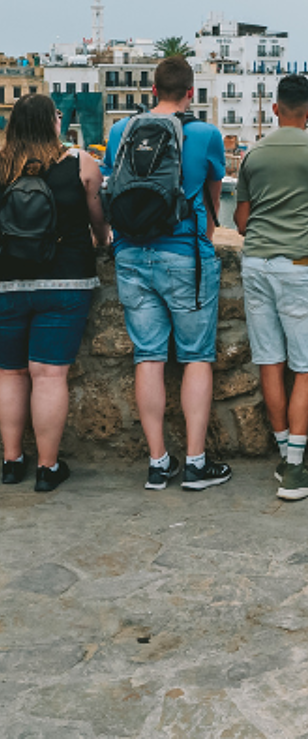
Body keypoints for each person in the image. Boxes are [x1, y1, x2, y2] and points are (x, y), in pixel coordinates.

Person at [105, 56, 232, 491]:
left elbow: (111, 185)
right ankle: (195, 463)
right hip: (185, 255)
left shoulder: (121, 132)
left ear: (152, 90)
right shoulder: (206, 134)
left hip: (131, 255)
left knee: (149, 357)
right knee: (196, 356)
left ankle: (158, 462)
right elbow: (214, 193)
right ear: (190, 93)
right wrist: (206, 233)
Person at [234, 74, 308, 502]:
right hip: (298, 266)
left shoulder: (253, 154)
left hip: (256, 265)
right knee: (304, 366)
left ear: (275, 108)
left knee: (269, 361)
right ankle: (295, 469)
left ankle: (285, 453)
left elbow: (241, 223)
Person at [0, 95, 109, 493]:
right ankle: (47, 468)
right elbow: (100, 224)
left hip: (7, 283)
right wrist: (101, 241)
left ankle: (11, 462)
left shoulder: (2, 165)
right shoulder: (80, 163)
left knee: (9, 374)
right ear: (51, 122)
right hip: (66, 281)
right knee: (48, 376)